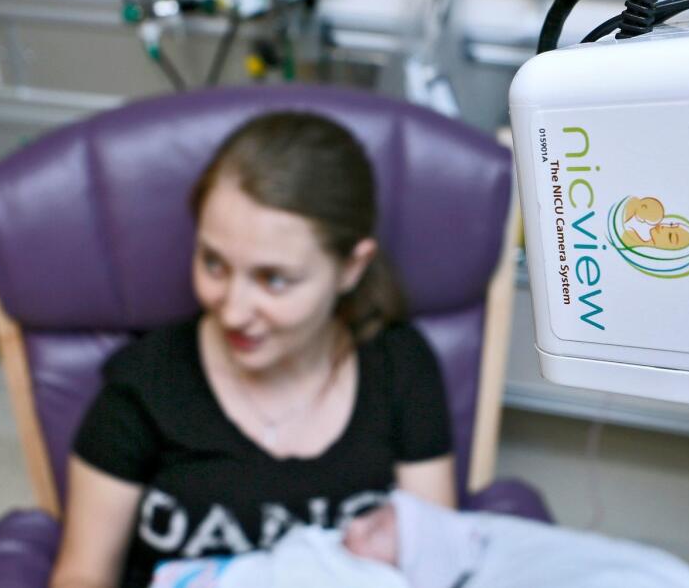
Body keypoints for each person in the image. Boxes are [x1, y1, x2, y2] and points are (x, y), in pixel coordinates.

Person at [49, 112, 456, 588]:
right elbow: (81, 575)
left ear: (351, 267)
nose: (234, 312)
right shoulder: (142, 390)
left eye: (274, 279)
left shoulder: (400, 369)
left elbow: (435, 561)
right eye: (214, 263)